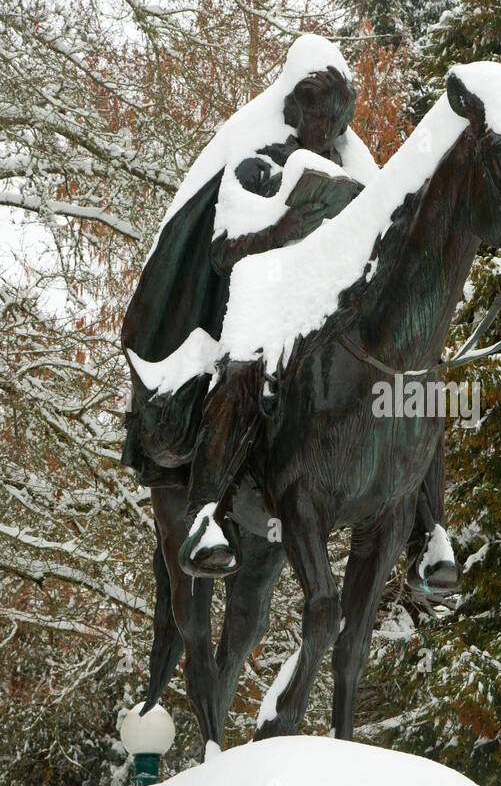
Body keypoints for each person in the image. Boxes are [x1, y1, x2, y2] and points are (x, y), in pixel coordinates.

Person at [121, 34, 459, 592]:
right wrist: (290, 223)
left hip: (334, 304)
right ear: (295, 108)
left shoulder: (358, 173)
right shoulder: (256, 163)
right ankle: (206, 515)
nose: (326, 128)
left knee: (423, 380)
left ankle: (430, 531)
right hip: (267, 298)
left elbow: (387, 248)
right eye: (318, 114)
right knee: (240, 370)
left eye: (337, 117)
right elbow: (224, 247)